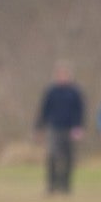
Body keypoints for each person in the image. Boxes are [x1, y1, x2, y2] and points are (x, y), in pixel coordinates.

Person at [34, 64, 85, 195]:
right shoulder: (51, 91)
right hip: (54, 127)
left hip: (70, 129)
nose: (62, 77)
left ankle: (65, 186)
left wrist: (79, 127)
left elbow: (80, 111)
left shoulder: (75, 92)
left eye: (65, 75)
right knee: (52, 156)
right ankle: (51, 185)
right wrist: (39, 127)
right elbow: (44, 110)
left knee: (68, 158)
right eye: (60, 75)